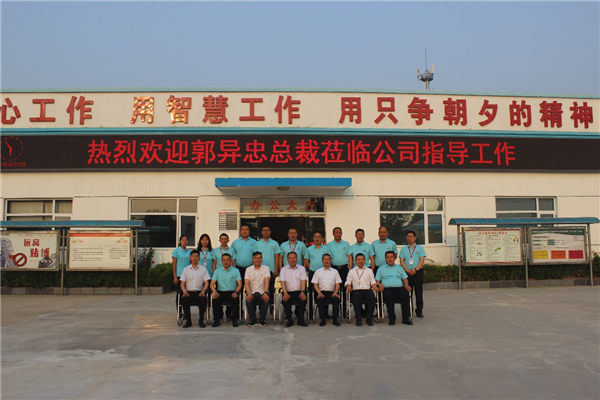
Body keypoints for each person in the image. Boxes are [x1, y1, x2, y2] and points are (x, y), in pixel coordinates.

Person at [376, 251, 412, 326]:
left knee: (405, 295)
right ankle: (392, 319)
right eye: (388, 257)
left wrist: (406, 285)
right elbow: (377, 280)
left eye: (391, 257)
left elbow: (405, 279)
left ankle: (406, 319)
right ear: (385, 258)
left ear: (394, 258)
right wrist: (380, 285)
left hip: (399, 288)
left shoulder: (399, 268)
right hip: (387, 289)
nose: (390, 259)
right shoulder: (381, 269)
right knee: (389, 296)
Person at [345, 253, 379, 326]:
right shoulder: (351, 271)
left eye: (362, 259)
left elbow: (373, 281)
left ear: (365, 260)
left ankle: (369, 318)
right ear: (355, 261)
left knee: (372, 298)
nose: (360, 261)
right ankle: (358, 318)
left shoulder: (369, 270)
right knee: (356, 297)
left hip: (367, 290)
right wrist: (348, 286)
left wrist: (375, 286)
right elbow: (348, 282)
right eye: (358, 260)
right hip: (356, 290)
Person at [399, 230, 427, 318]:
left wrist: (415, 269)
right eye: (408, 237)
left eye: (411, 236)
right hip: (407, 273)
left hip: (417, 273)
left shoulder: (420, 248)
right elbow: (401, 261)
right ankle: (408, 310)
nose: (409, 238)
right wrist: (407, 270)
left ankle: (419, 311)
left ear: (415, 238)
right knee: (407, 292)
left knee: (419, 293)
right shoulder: (403, 249)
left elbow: (422, 260)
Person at [179, 250, 211, 328]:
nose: (195, 258)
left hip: (200, 292)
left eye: (196, 256)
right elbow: (182, 283)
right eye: (193, 256)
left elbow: (206, 282)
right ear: (190, 258)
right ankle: (188, 321)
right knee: (184, 301)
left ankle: (201, 320)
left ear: (199, 258)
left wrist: (203, 291)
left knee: (203, 300)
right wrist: (184, 292)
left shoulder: (203, 269)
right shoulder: (186, 269)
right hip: (189, 292)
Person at [210, 253, 242, 327]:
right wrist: (214, 292)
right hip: (220, 292)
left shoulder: (236, 270)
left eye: (227, 260)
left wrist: (236, 292)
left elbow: (240, 284)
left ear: (230, 261)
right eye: (224, 260)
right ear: (221, 261)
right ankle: (216, 320)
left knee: (235, 300)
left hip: (232, 291)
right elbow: (211, 284)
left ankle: (235, 320)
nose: (226, 262)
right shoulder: (217, 271)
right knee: (215, 300)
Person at [311, 254, 342, 327]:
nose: (326, 261)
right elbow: (315, 284)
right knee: (320, 299)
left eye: (328, 259)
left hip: (332, 292)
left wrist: (336, 292)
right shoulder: (318, 271)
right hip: (321, 292)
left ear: (330, 261)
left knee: (336, 299)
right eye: (325, 259)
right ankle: (322, 319)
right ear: (322, 261)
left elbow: (337, 283)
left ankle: (335, 319)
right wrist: (319, 293)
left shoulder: (335, 271)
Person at [279, 252, 308, 327]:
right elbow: (282, 282)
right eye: (290, 258)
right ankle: (289, 320)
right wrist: (285, 293)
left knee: (303, 299)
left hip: (299, 291)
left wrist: (302, 292)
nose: (292, 260)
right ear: (287, 259)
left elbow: (303, 281)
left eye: (294, 258)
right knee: (285, 300)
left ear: (297, 259)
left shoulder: (301, 268)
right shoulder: (283, 269)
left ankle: (300, 319)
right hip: (288, 292)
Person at [329, 227, 352, 317]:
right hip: (333, 269)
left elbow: (350, 257)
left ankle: (344, 310)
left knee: (344, 290)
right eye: (336, 232)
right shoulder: (329, 245)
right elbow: (328, 258)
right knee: (335, 289)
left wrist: (350, 270)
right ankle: (336, 311)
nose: (338, 234)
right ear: (333, 234)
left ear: (342, 234)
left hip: (344, 269)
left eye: (339, 232)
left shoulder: (346, 244)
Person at [244, 252, 271, 327]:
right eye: (256, 258)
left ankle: (262, 320)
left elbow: (267, 282)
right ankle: (253, 321)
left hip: (262, 291)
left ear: (262, 259)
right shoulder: (248, 269)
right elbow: (246, 283)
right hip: (252, 292)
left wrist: (265, 292)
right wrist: (249, 293)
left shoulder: (266, 268)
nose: (258, 260)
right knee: (249, 300)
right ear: (253, 259)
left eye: (260, 258)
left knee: (266, 299)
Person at [172, 235, 191, 316]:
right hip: (179, 275)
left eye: (186, 240)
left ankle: (186, 311)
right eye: (183, 240)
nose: (184, 241)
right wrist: (175, 276)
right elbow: (174, 264)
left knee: (187, 293)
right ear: (180, 241)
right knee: (179, 293)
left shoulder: (189, 251)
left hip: (188, 275)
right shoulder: (176, 251)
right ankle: (179, 312)